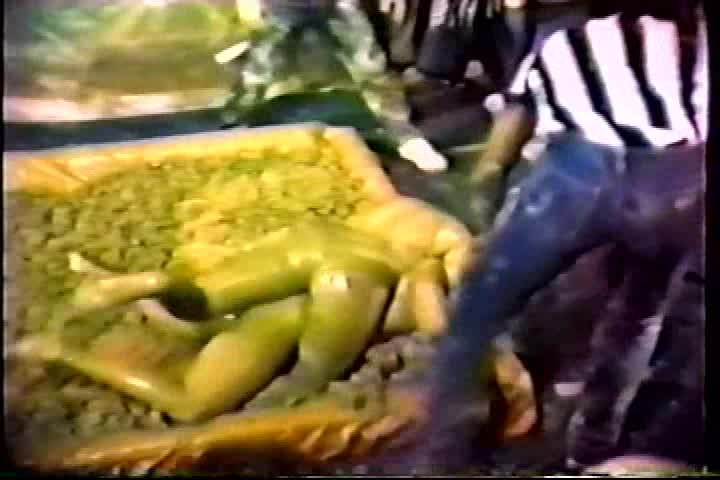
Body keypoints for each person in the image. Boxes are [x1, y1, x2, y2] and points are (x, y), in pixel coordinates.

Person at [392, 0, 707, 473]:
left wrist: (488, 178)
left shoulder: (566, 40)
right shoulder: (696, 42)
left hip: (579, 175)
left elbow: (517, 113)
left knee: (482, 301)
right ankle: (593, 447)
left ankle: (445, 445)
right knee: (637, 315)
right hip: (673, 183)